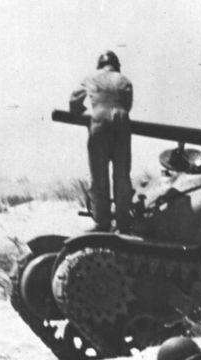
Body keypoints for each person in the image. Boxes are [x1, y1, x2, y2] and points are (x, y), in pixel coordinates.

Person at [70, 50, 134, 233]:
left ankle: (102, 223)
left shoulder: (91, 78)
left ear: (100, 65)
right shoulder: (125, 80)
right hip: (122, 122)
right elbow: (127, 104)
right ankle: (123, 224)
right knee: (122, 176)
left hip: (99, 122)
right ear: (116, 66)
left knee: (99, 177)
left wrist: (86, 112)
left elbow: (74, 101)